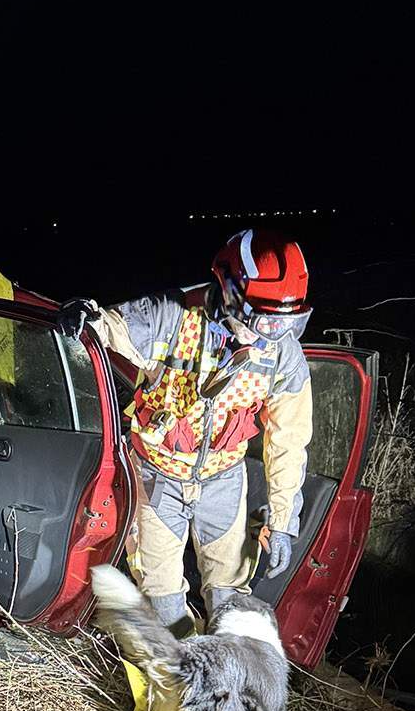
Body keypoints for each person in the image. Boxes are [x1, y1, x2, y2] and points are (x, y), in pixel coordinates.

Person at [60, 230, 313, 635]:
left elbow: (289, 441)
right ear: (229, 293)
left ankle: (227, 679)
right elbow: (113, 327)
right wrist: (86, 315)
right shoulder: (171, 316)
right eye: (262, 318)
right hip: (158, 477)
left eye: (288, 322)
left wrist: (283, 521)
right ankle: (179, 678)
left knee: (231, 595)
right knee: (161, 599)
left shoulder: (282, 352)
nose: (271, 333)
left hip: (225, 481)